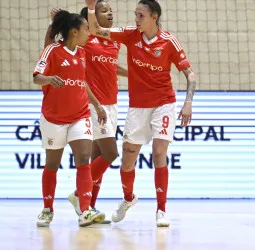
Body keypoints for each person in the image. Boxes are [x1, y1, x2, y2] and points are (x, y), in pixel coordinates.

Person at [84, 0, 196, 227]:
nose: (136, 19)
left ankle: (161, 210)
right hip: (137, 108)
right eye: (135, 15)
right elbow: (96, 30)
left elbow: (190, 75)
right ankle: (127, 199)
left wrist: (188, 103)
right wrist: (92, 8)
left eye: (140, 15)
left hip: (164, 103)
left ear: (154, 16)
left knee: (158, 152)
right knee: (127, 163)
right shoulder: (130, 34)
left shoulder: (169, 41)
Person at [43, 1, 129, 220]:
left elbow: (112, 67)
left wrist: (137, 75)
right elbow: (53, 49)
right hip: (91, 105)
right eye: (104, 10)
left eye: (111, 10)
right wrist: (55, 23)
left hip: (112, 103)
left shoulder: (113, 42)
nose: (110, 13)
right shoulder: (86, 42)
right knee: (110, 154)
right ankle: (79, 196)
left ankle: (88, 207)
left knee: (97, 157)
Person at [33, 9, 108, 227]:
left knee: (84, 158)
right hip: (54, 117)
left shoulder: (82, 54)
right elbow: (37, 77)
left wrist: (97, 105)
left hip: (80, 115)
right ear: (74, 32)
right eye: (86, 29)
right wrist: (49, 78)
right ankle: (47, 209)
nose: (89, 33)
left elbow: (82, 82)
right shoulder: (53, 51)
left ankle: (85, 210)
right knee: (52, 164)